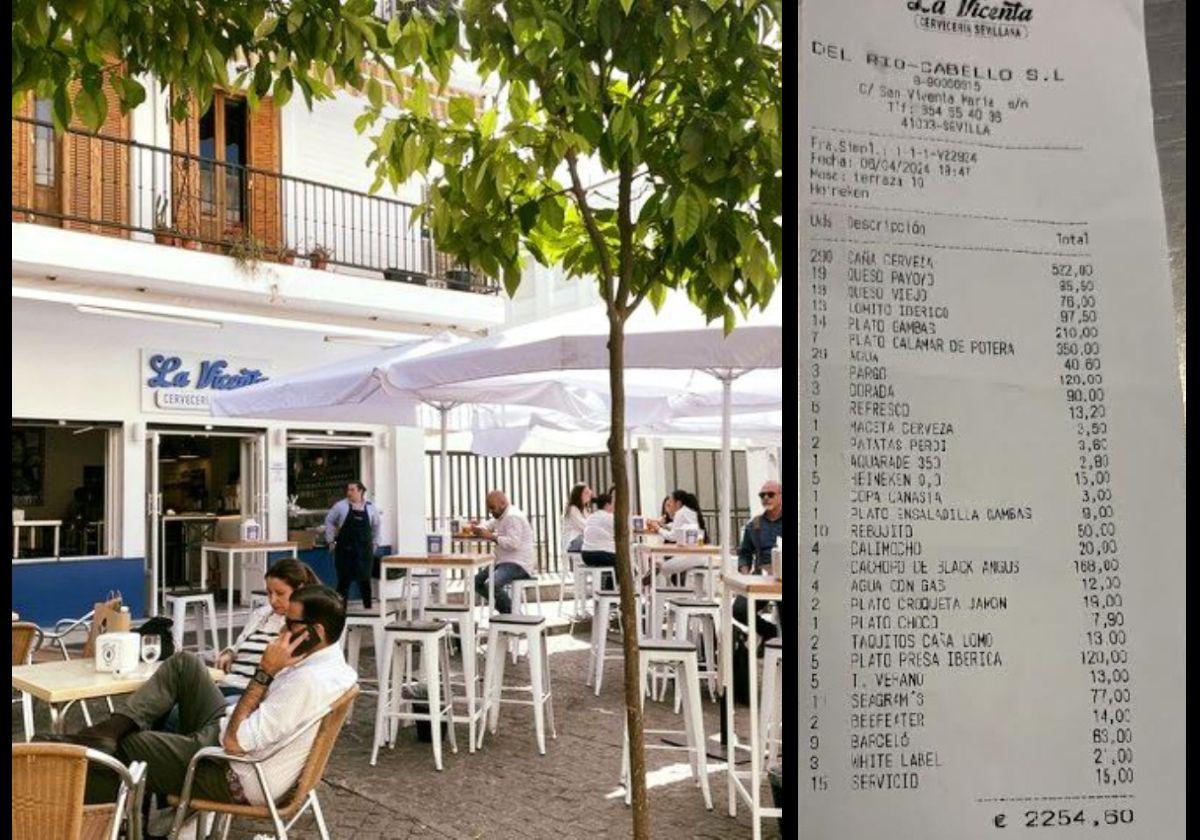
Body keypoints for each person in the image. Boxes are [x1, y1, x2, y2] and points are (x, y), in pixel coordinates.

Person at [64, 585, 356, 812]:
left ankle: (95, 798)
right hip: (230, 736)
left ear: (316, 631)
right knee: (185, 664)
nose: (281, 631)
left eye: (290, 625)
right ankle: (108, 730)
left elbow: (234, 743)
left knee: (132, 744)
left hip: (232, 772)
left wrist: (264, 673)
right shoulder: (333, 667)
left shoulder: (308, 681)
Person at [214, 558, 320, 701]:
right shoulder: (262, 614)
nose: (273, 600)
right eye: (269, 593)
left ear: (299, 591)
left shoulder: (300, 625)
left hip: (249, 693)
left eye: (280, 593)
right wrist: (230, 652)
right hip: (226, 682)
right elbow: (241, 643)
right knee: (186, 668)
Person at [734, 481, 785, 642]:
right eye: (762, 495)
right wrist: (744, 569)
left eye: (770, 494)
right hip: (762, 576)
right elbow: (745, 552)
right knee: (739, 610)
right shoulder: (754, 525)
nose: (766, 498)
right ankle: (770, 632)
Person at [470, 490, 536, 614]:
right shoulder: (501, 516)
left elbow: (513, 543)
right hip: (503, 562)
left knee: (491, 584)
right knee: (476, 582)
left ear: (503, 503)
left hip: (518, 564)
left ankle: (513, 615)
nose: (490, 511)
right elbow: (488, 525)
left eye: (492, 507)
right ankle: (508, 612)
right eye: (489, 508)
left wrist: (492, 537)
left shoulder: (512, 517)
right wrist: (478, 527)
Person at [324, 481, 381, 609]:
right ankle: (340, 612)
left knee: (365, 582)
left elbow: (377, 526)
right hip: (345, 551)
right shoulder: (340, 506)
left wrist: (376, 543)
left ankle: (368, 610)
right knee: (343, 582)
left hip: (364, 551)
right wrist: (330, 540)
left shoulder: (371, 507)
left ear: (360, 491)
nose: (348, 492)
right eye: (348, 490)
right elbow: (329, 521)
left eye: (352, 490)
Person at [648, 489, 708, 584]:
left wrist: (658, 529)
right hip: (701, 554)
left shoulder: (680, 513)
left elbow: (672, 536)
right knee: (663, 562)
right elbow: (679, 528)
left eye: (670, 502)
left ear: (678, 503)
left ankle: (665, 584)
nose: (669, 505)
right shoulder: (690, 512)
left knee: (663, 567)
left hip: (691, 556)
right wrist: (664, 526)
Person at [580, 489, 617, 588]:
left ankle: (605, 590)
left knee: (612, 562)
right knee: (621, 562)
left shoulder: (591, 517)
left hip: (586, 555)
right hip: (602, 554)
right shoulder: (609, 517)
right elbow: (621, 533)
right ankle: (610, 591)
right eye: (613, 504)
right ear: (607, 505)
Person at [561, 483, 592, 553]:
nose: (589, 495)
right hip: (573, 540)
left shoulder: (585, 509)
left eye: (589, 492)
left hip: (581, 538)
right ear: (579, 495)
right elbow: (585, 526)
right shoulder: (572, 509)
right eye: (586, 493)